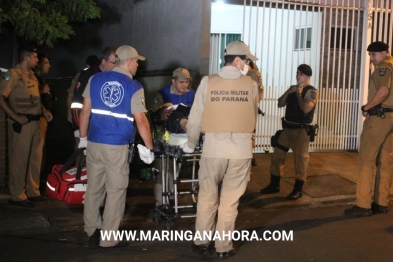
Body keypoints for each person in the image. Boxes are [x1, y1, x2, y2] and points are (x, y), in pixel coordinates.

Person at [181, 40, 259, 259]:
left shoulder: (208, 82)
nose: (248, 65)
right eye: (246, 61)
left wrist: (190, 143)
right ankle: (223, 247)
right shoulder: (251, 85)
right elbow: (252, 118)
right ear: (236, 60)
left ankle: (202, 242)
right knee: (230, 202)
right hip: (241, 151)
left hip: (213, 149)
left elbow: (195, 119)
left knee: (207, 197)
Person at [78, 45, 154, 248]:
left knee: (94, 188)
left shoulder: (95, 79)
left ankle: (92, 231)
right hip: (117, 146)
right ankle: (109, 238)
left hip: (94, 143)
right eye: (137, 61)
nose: (138, 65)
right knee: (116, 190)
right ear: (129, 62)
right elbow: (141, 120)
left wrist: (83, 139)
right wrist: (149, 147)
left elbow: (85, 113)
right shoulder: (133, 86)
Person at [0, 45, 52, 208]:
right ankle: (17, 195)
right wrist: (15, 116)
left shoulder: (31, 75)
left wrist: (44, 111)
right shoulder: (12, 75)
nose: (37, 60)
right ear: (27, 58)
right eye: (35, 57)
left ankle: (32, 191)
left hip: (35, 122)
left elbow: (34, 98)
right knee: (19, 160)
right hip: (21, 124)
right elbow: (1, 97)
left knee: (34, 159)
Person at [344, 41, 393, 216]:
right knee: (386, 163)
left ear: (384, 53)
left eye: (374, 54)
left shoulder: (383, 68)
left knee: (366, 161)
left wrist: (366, 107)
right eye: (370, 55)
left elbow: (382, 92)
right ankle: (381, 203)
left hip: (379, 118)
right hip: (391, 119)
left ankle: (363, 205)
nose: (372, 59)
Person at [259, 64, 318, 200]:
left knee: (301, 160)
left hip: (301, 131)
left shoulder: (311, 91)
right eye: (297, 73)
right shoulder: (292, 89)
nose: (298, 76)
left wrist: (298, 94)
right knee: (276, 157)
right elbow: (280, 103)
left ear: (308, 76)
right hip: (287, 129)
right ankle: (274, 185)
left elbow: (306, 109)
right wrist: (289, 91)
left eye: (301, 74)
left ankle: (298, 189)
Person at [150, 67, 195, 209]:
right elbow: (152, 116)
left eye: (187, 82)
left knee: (175, 170)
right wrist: (162, 114)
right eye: (181, 82)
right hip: (165, 137)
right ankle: (161, 203)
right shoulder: (162, 94)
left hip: (184, 138)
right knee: (163, 170)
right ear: (173, 81)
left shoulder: (193, 95)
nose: (185, 85)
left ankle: (171, 196)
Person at [71, 47, 116, 139]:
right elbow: (77, 102)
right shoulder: (88, 75)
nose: (115, 66)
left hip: (105, 128)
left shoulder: (114, 76)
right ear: (103, 61)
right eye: (113, 63)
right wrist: (77, 126)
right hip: (88, 126)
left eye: (117, 63)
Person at [66, 55, 100, 123]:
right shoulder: (81, 75)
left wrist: (69, 112)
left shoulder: (82, 75)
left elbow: (70, 94)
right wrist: (69, 112)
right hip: (82, 112)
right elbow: (71, 94)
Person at [247, 61, 264, 166]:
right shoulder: (255, 73)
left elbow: (260, 93)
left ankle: (250, 155)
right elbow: (260, 93)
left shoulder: (254, 73)